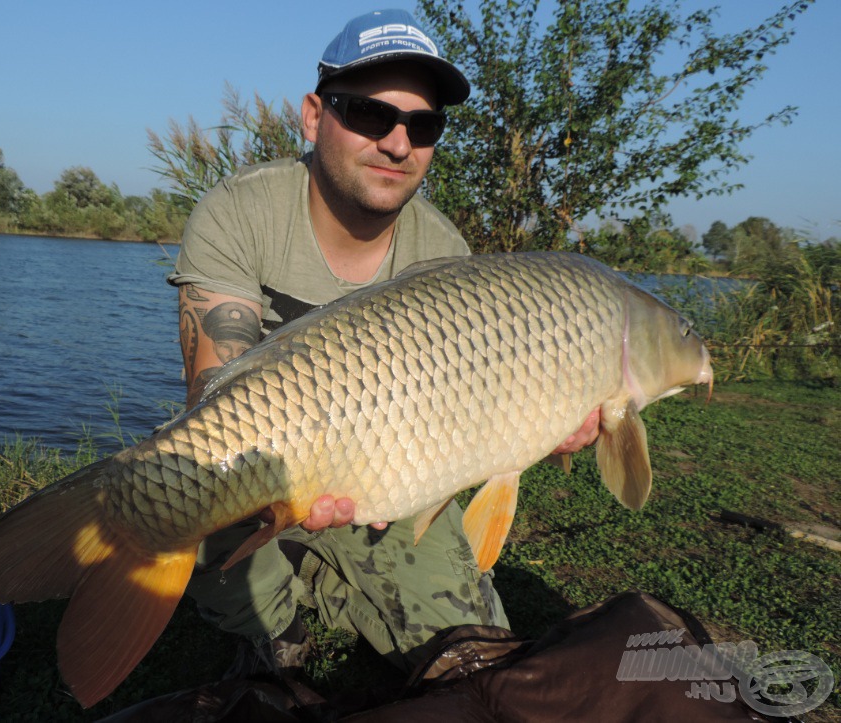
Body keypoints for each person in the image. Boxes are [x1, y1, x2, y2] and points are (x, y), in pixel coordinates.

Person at [167, 8, 599, 678]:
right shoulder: (240, 211)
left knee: (469, 654)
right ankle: (279, 629)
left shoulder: (444, 252)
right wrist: (302, 471)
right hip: (259, 459)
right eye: (369, 114)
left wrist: (544, 416)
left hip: (396, 477)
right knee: (188, 485)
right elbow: (212, 393)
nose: (398, 143)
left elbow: (471, 420)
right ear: (314, 117)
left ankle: (338, 588)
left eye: (422, 126)